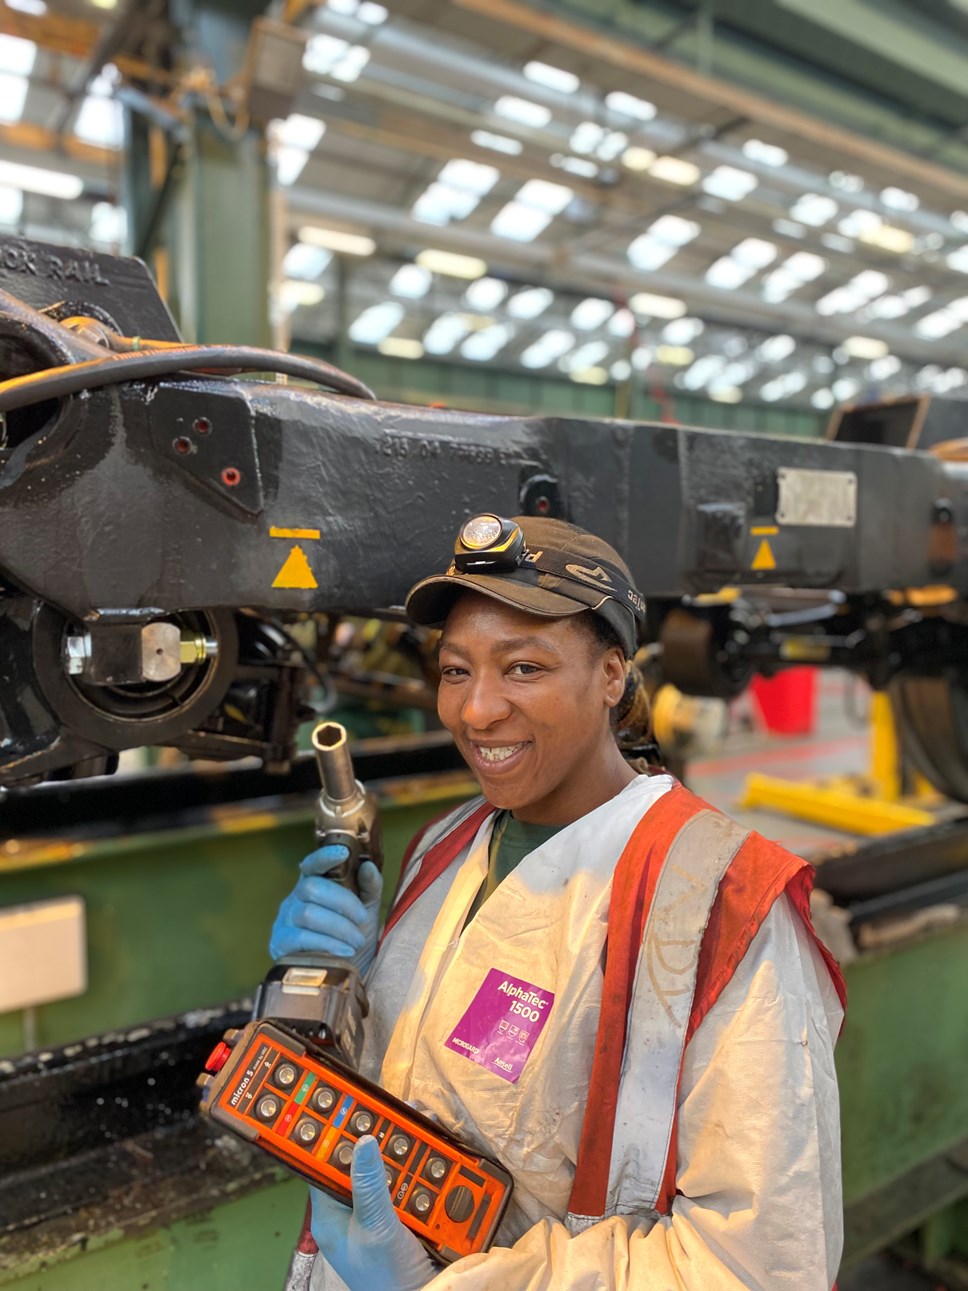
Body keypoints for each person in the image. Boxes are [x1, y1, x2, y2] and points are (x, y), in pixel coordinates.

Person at [270, 513, 847, 1291]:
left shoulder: (720, 905)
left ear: (613, 673)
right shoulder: (447, 842)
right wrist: (339, 988)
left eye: (524, 669)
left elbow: (758, 1266)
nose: (476, 712)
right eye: (455, 670)